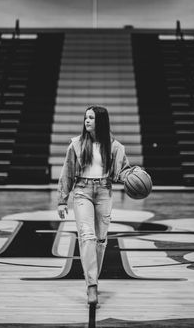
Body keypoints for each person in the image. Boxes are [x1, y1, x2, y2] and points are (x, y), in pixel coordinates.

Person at [57, 105, 130, 305]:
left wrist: (132, 176)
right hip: (82, 191)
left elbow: (122, 171)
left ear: (101, 121)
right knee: (87, 236)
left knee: (100, 240)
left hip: (104, 192)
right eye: (85, 118)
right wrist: (62, 200)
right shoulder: (76, 145)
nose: (86, 121)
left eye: (91, 118)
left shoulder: (115, 146)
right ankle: (92, 285)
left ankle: (93, 278)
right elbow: (67, 172)